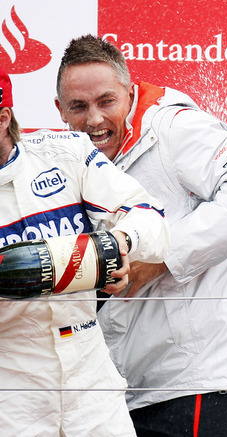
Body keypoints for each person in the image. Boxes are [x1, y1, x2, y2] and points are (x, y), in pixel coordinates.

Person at [55, 35, 227, 436]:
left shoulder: (174, 128)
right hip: (134, 389)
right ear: (60, 111)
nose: (93, 119)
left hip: (200, 383)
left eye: (106, 101)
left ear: (130, 93)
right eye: (79, 107)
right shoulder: (70, 162)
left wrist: (161, 259)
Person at [0, 66, 169, 436]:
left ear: (3, 117)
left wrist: (118, 245)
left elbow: (151, 219)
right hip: (11, 393)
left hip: (92, 382)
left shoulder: (66, 153)